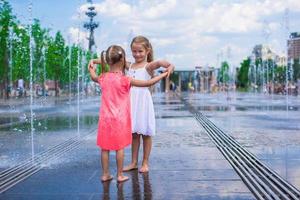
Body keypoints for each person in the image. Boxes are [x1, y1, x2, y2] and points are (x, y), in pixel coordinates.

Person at [88, 45, 168, 182]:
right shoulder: (126, 80)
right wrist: (163, 75)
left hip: (105, 119)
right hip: (120, 120)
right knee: (119, 148)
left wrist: (91, 66)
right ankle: (119, 175)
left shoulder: (103, 78)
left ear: (108, 61)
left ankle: (105, 174)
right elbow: (147, 83)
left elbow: (93, 76)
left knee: (105, 148)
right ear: (122, 61)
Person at [123, 35, 175, 173]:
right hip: (132, 102)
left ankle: (145, 162)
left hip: (143, 102)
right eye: (134, 51)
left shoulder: (148, 66)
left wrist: (170, 66)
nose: (137, 54)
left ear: (147, 51)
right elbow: (113, 59)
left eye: (140, 51)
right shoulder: (130, 65)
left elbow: (160, 63)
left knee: (145, 133)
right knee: (134, 134)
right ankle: (133, 162)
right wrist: (96, 61)